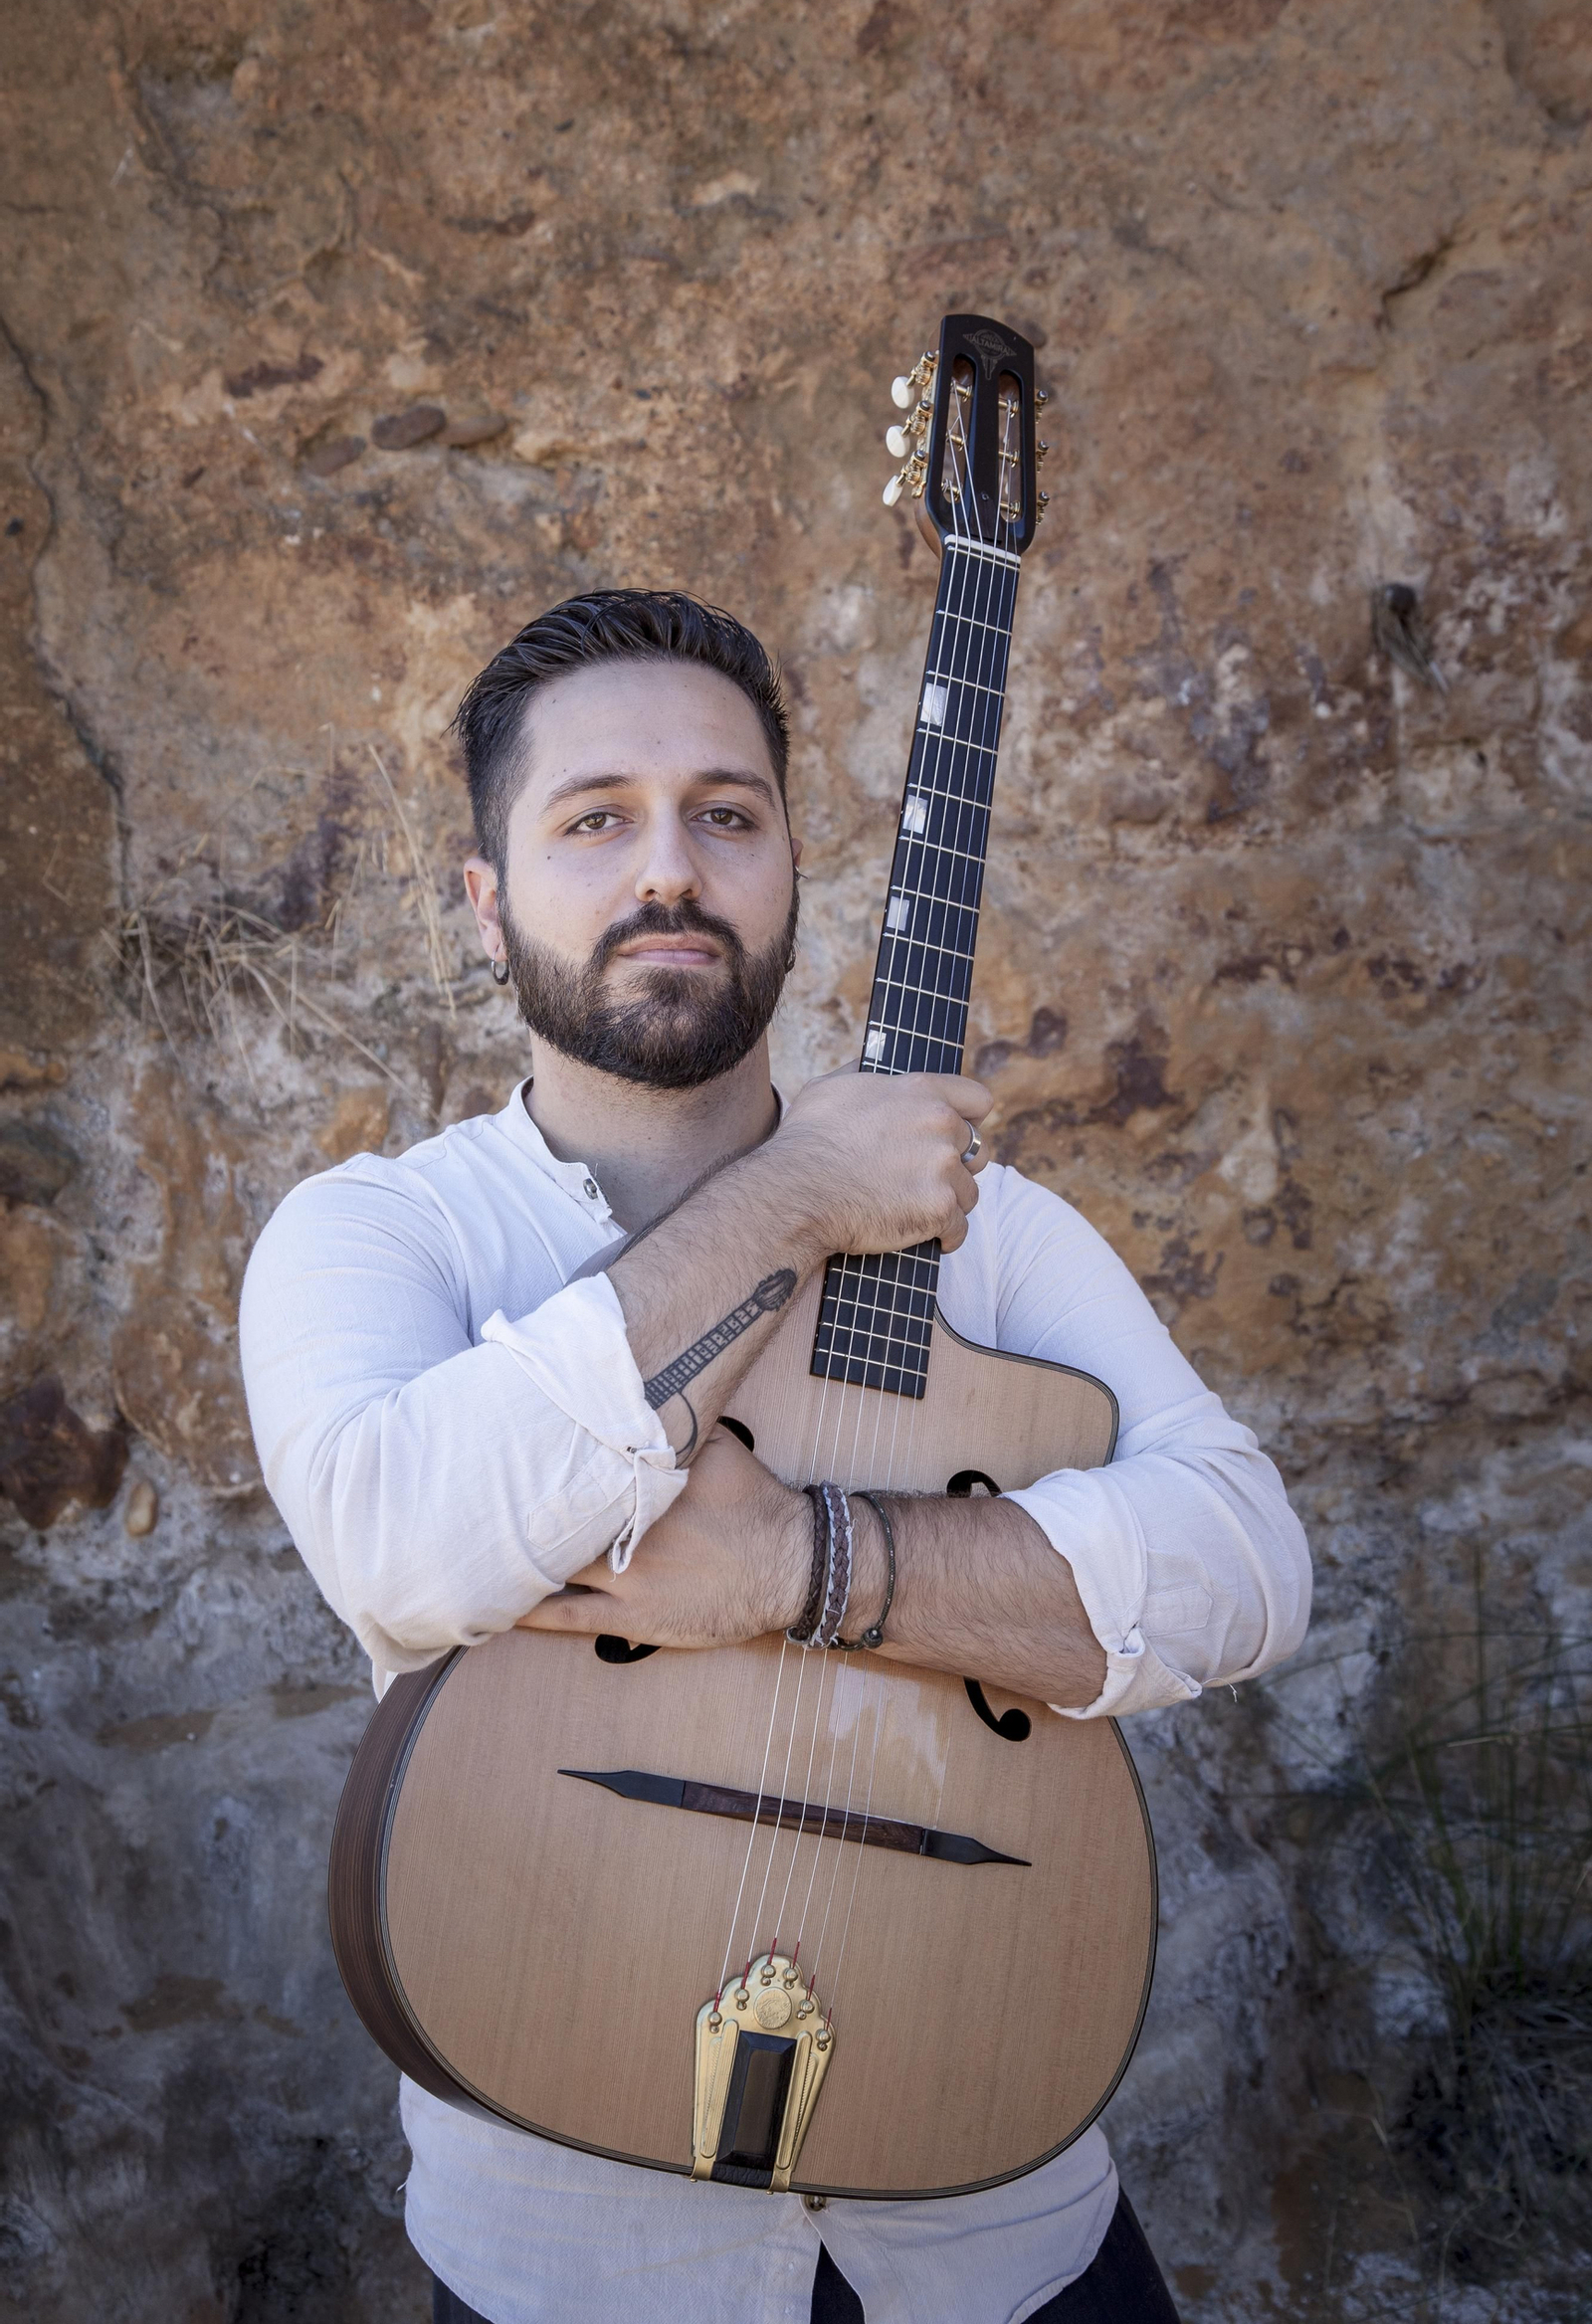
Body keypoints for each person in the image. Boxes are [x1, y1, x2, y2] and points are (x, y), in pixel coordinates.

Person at [240, 589, 1310, 2324]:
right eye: (597, 819)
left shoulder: (990, 1234)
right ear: (487, 899)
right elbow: (406, 1545)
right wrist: (800, 1194)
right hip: (577, 2263)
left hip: (1004, 2226)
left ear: (794, 866)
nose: (671, 868)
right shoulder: (380, 1237)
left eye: (726, 815)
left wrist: (815, 1566)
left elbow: (1250, 1563)